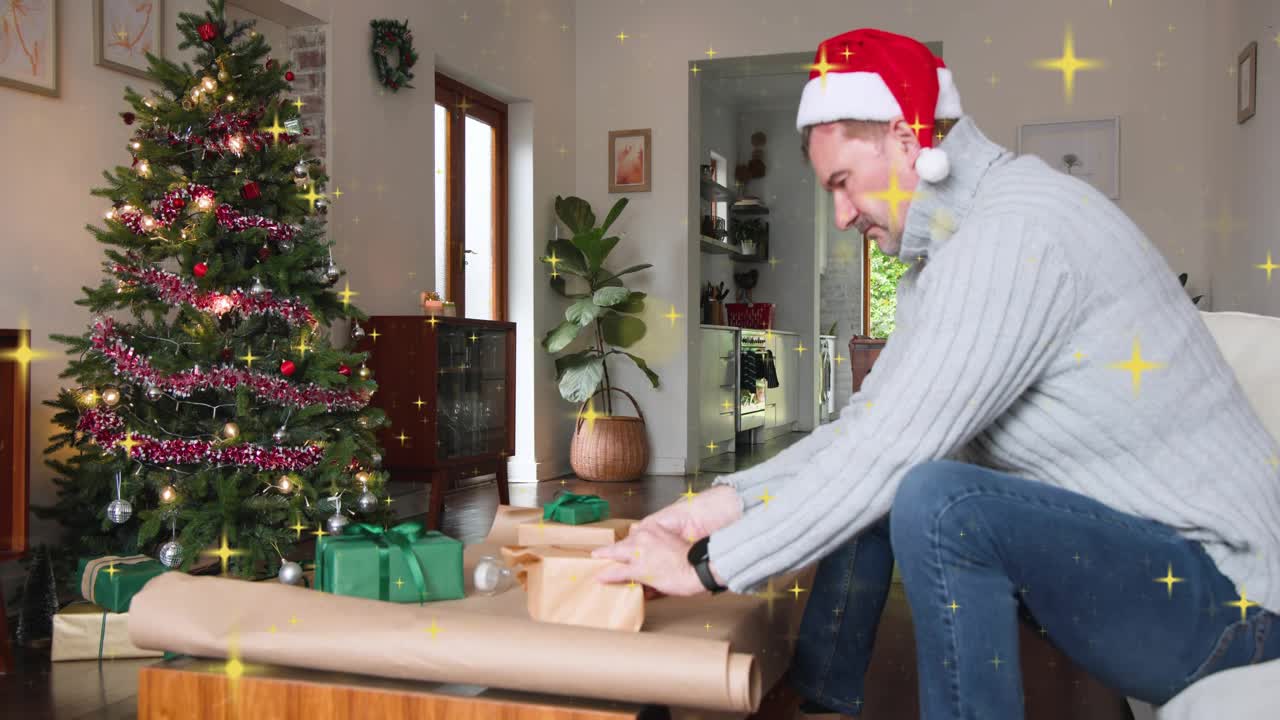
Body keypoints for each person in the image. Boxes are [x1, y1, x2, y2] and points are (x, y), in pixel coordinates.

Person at [591, 28, 1280, 719]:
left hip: (1231, 605)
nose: (840, 213)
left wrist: (710, 566)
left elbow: (890, 459)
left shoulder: (1014, 234)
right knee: (885, 469)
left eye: (843, 183)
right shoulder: (950, 259)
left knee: (935, 498)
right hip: (1160, 575)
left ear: (904, 137)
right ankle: (822, 700)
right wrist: (710, 509)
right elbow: (866, 435)